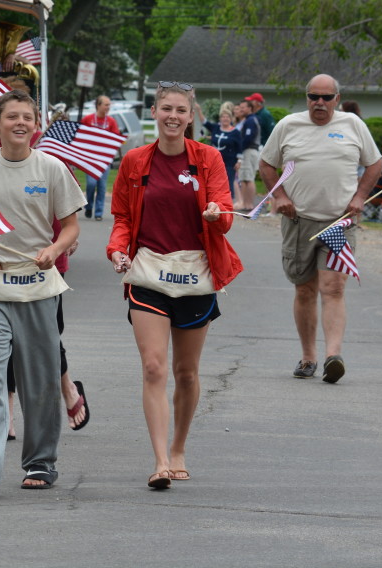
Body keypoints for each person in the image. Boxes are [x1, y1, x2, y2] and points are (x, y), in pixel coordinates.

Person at [107, 81, 243, 489]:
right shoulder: (134, 161)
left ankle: (180, 447)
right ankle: (161, 460)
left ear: (191, 116)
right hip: (148, 273)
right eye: (166, 108)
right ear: (154, 111)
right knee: (153, 367)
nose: (173, 116)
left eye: (181, 110)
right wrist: (117, 250)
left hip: (195, 275)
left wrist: (216, 214)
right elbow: (122, 217)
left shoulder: (208, 158)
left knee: (186, 373)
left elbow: (227, 213)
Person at [0, 90, 84, 498]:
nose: (20, 124)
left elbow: (71, 227)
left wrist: (54, 249)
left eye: (27, 117)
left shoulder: (52, 168)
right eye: (12, 117)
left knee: (40, 379)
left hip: (38, 284)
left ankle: (41, 462)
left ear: (36, 124)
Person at [259, 74, 382, 384]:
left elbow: (375, 164)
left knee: (334, 287)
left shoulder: (353, 125)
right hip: (299, 220)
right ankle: (308, 356)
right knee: (304, 288)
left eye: (327, 97)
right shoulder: (288, 125)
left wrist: (359, 198)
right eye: (314, 96)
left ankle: (333, 356)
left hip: (339, 222)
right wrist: (281, 196)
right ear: (307, 98)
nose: (320, 103)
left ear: (337, 99)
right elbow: (266, 164)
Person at [81, 96, 123, 222]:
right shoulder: (88, 119)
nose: (108, 107)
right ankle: (88, 206)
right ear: (98, 105)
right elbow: (81, 135)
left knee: (102, 186)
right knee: (91, 184)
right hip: (91, 158)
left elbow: (115, 138)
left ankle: (98, 212)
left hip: (105, 159)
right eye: (106, 104)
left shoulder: (111, 121)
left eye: (109, 105)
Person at [202, 101, 244, 201]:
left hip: (230, 162)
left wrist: (239, 161)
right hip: (214, 161)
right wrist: (198, 109)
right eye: (223, 117)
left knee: (229, 182)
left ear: (231, 119)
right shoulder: (216, 128)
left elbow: (239, 148)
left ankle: (228, 202)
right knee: (213, 181)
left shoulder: (236, 132)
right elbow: (204, 122)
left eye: (227, 117)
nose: (225, 119)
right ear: (220, 119)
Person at [234, 99, 261, 213]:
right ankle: (245, 204)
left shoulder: (250, 121)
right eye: (240, 108)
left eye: (243, 107)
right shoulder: (250, 120)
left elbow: (248, 138)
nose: (241, 110)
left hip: (249, 151)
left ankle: (249, 205)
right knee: (244, 178)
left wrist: (239, 149)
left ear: (250, 108)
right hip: (249, 151)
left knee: (248, 178)